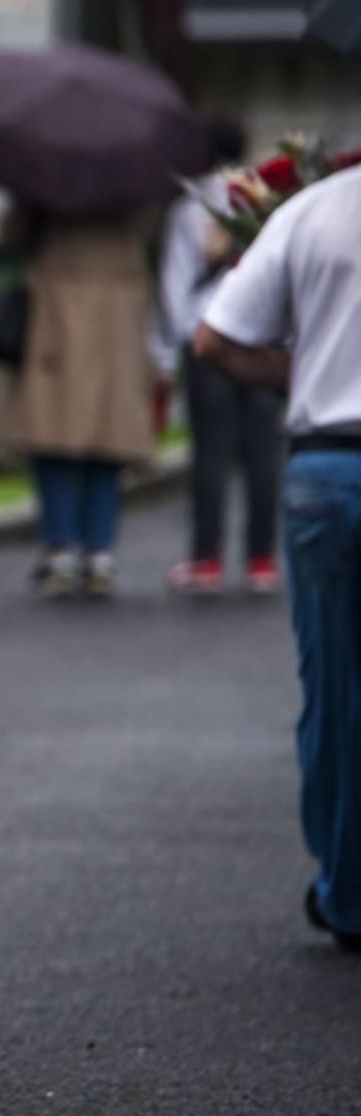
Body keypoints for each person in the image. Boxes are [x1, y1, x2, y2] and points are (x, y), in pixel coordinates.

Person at [195, 161, 361, 952]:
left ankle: (349, 894)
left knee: (335, 694)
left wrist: (309, 370)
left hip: (329, 470)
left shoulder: (312, 211)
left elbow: (215, 339)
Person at [0, 200, 160, 599]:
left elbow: (12, 232)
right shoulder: (136, 184)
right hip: (119, 313)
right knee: (108, 437)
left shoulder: (48, 183)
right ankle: (100, 551)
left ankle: (60, 550)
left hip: (57, 311)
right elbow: (153, 235)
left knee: (54, 435)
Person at [153, 117, 282, 596]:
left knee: (212, 450)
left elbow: (175, 286)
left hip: (208, 336)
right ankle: (261, 559)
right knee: (263, 449)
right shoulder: (265, 202)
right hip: (262, 336)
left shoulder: (189, 208)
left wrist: (169, 349)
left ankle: (207, 559)